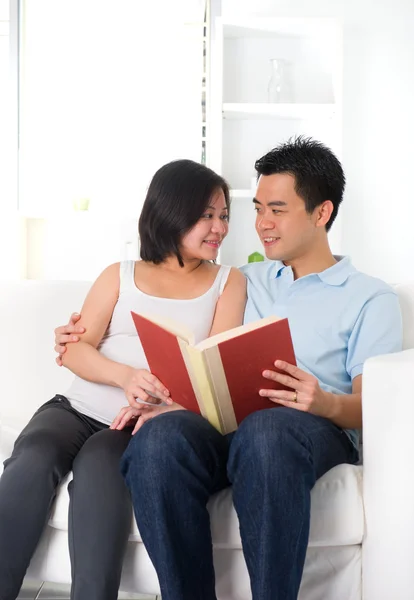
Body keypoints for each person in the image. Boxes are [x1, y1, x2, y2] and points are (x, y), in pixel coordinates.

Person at [54, 137, 403, 600]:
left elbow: (371, 407)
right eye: (258, 208)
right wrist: (80, 340)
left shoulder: (370, 297)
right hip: (226, 428)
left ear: (321, 213)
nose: (262, 224)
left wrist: (323, 402)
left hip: (311, 430)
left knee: (268, 431)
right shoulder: (239, 279)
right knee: (158, 440)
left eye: (277, 210)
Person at [0, 159, 246, 600]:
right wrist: (127, 376)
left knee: (99, 472)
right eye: (207, 215)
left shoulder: (228, 282)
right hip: (74, 409)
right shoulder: (120, 274)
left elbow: (216, 372)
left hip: (133, 424)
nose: (219, 228)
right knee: (33, 456)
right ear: (171, 212)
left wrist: (160, 403)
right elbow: (74, 349)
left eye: (224, 215)